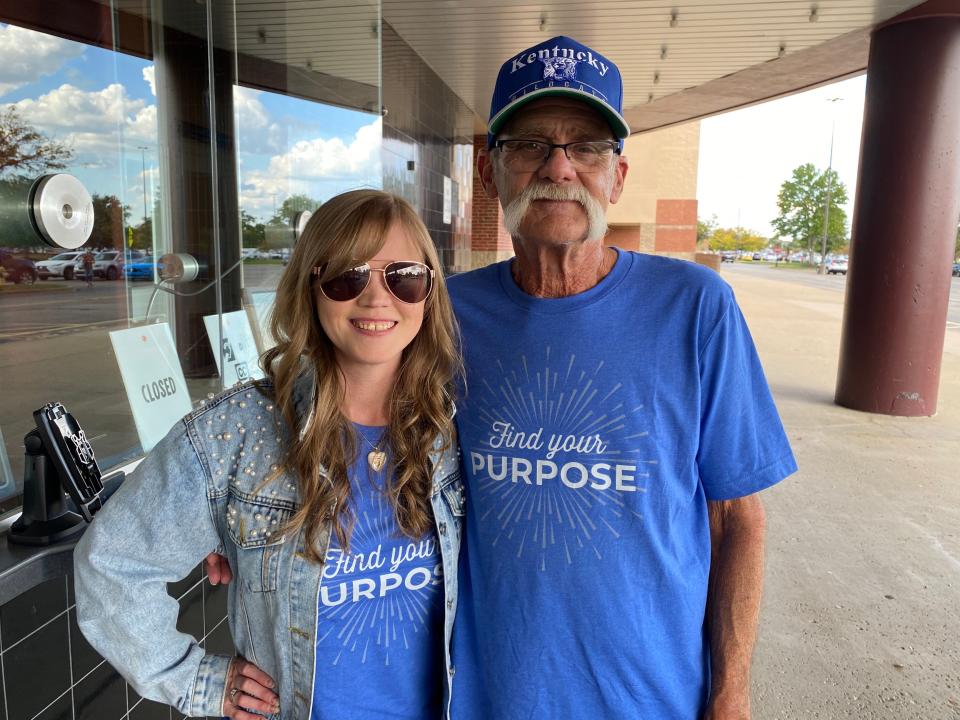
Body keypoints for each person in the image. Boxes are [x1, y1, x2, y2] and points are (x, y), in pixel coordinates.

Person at [445, 37, 797, 719]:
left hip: (652, 698)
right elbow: (361, 444)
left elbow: (738, 521)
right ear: (491, 174)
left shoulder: (696, 307)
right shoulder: (447, 315)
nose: (559, 166)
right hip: (489, 697)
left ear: (618, 175)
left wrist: (730, 696)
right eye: (528, 145)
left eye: (586, 146)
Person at [74, 190, 465, 719]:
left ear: (430, 291)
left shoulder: (450, 428)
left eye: (404, 276)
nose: (377, 299)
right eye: (347, 276)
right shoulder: (236, 433)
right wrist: (195, 681)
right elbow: (112, 564)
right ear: (311, 286)